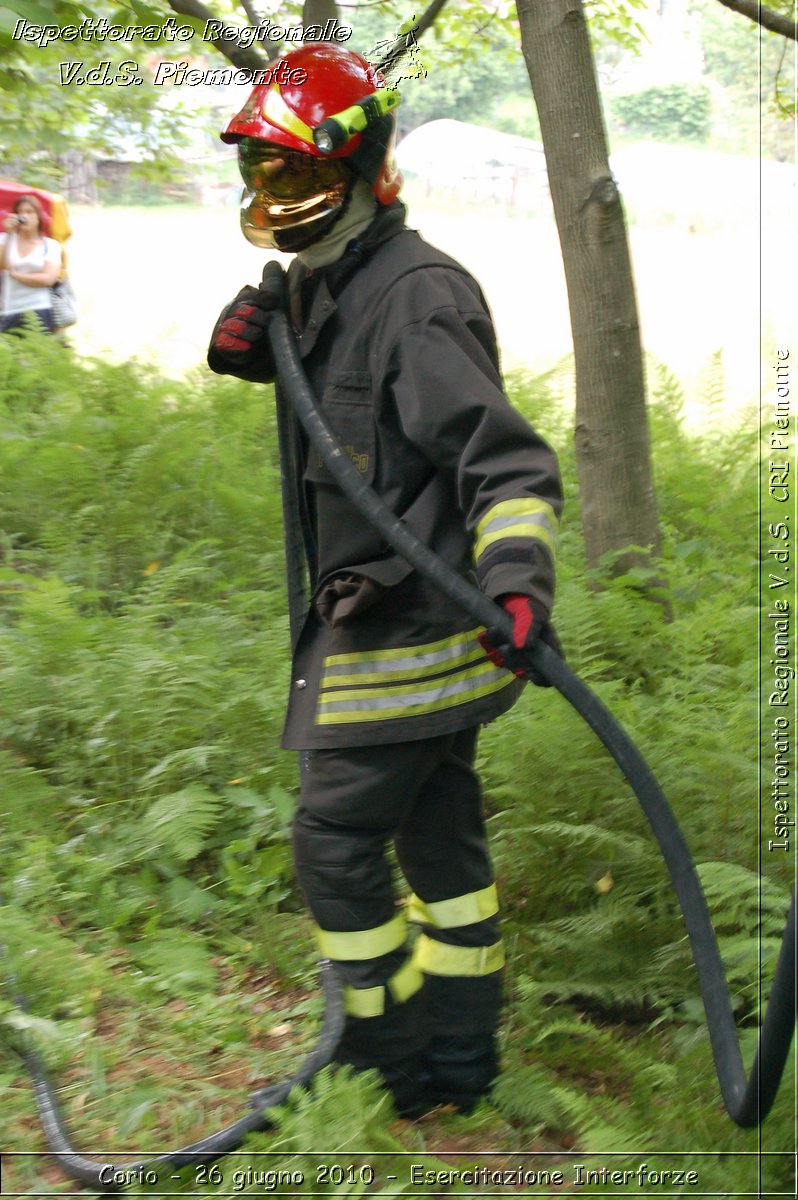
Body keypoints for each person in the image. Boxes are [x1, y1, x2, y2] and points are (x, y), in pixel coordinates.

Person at [208, 43, 563, 1117]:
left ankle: (379, 1055)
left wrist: (517, 585)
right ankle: (458, 1066)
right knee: (440, 838)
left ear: (362, 169)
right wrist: (271, 351)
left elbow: (503, 463)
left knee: (333, 839)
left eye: (292, 174)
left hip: (411, 632)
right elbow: (365, 420)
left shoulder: (417, 295)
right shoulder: (340, 282)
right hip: (403, 628)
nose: (275, 197)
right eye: (261, 176)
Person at [0, 194, 62, 334]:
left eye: (29, 212)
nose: (24, 216)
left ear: (38, 216)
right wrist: (9, 234)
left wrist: (17, 276)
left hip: (39, 308)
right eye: (20, 212)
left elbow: (48, 279)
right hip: (9, 309)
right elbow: (1, 264)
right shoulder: (5, 240)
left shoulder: (50, 245)